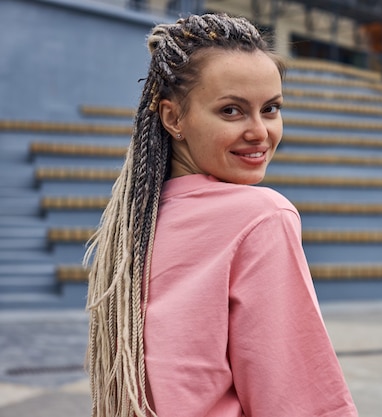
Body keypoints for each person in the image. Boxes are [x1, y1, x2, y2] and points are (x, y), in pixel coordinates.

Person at [84, 13, 359, 417]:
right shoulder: (261, 216)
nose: (260, 132)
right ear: (172, 117)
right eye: (231, 111)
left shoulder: (135, 222)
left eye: (270, 109)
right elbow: (296, 398)